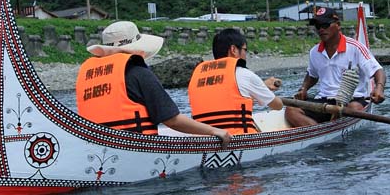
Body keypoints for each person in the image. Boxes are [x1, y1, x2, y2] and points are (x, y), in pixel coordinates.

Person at [76, 21, 231, 148]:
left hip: (97, 148)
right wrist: (214, 131)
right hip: (137, 149)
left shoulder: (89, 76)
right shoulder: (138, 73)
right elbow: (172, 120)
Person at [284, 7, 387, 127]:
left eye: (325, 25)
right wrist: (303, 88)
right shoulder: (314, 52)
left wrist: (379, 88)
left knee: (353, 108)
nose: (321, 29)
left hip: (353, 100)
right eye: (318, 26)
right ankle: (318, 132)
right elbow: (312, 75)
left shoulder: (355, 47)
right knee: (291, 109)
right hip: (324, 101)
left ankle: (323, 128)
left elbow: (378, 71)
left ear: (338, 25)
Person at [188, 28, 283, 135]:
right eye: (244, 50)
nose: (245, 54)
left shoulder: (197, 76)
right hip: (237, 138)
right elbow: (277, 106)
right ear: (233, 50)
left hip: (202, 137)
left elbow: (228, 97)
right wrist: (265, 89)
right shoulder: (245, 74)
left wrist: (262, 86)